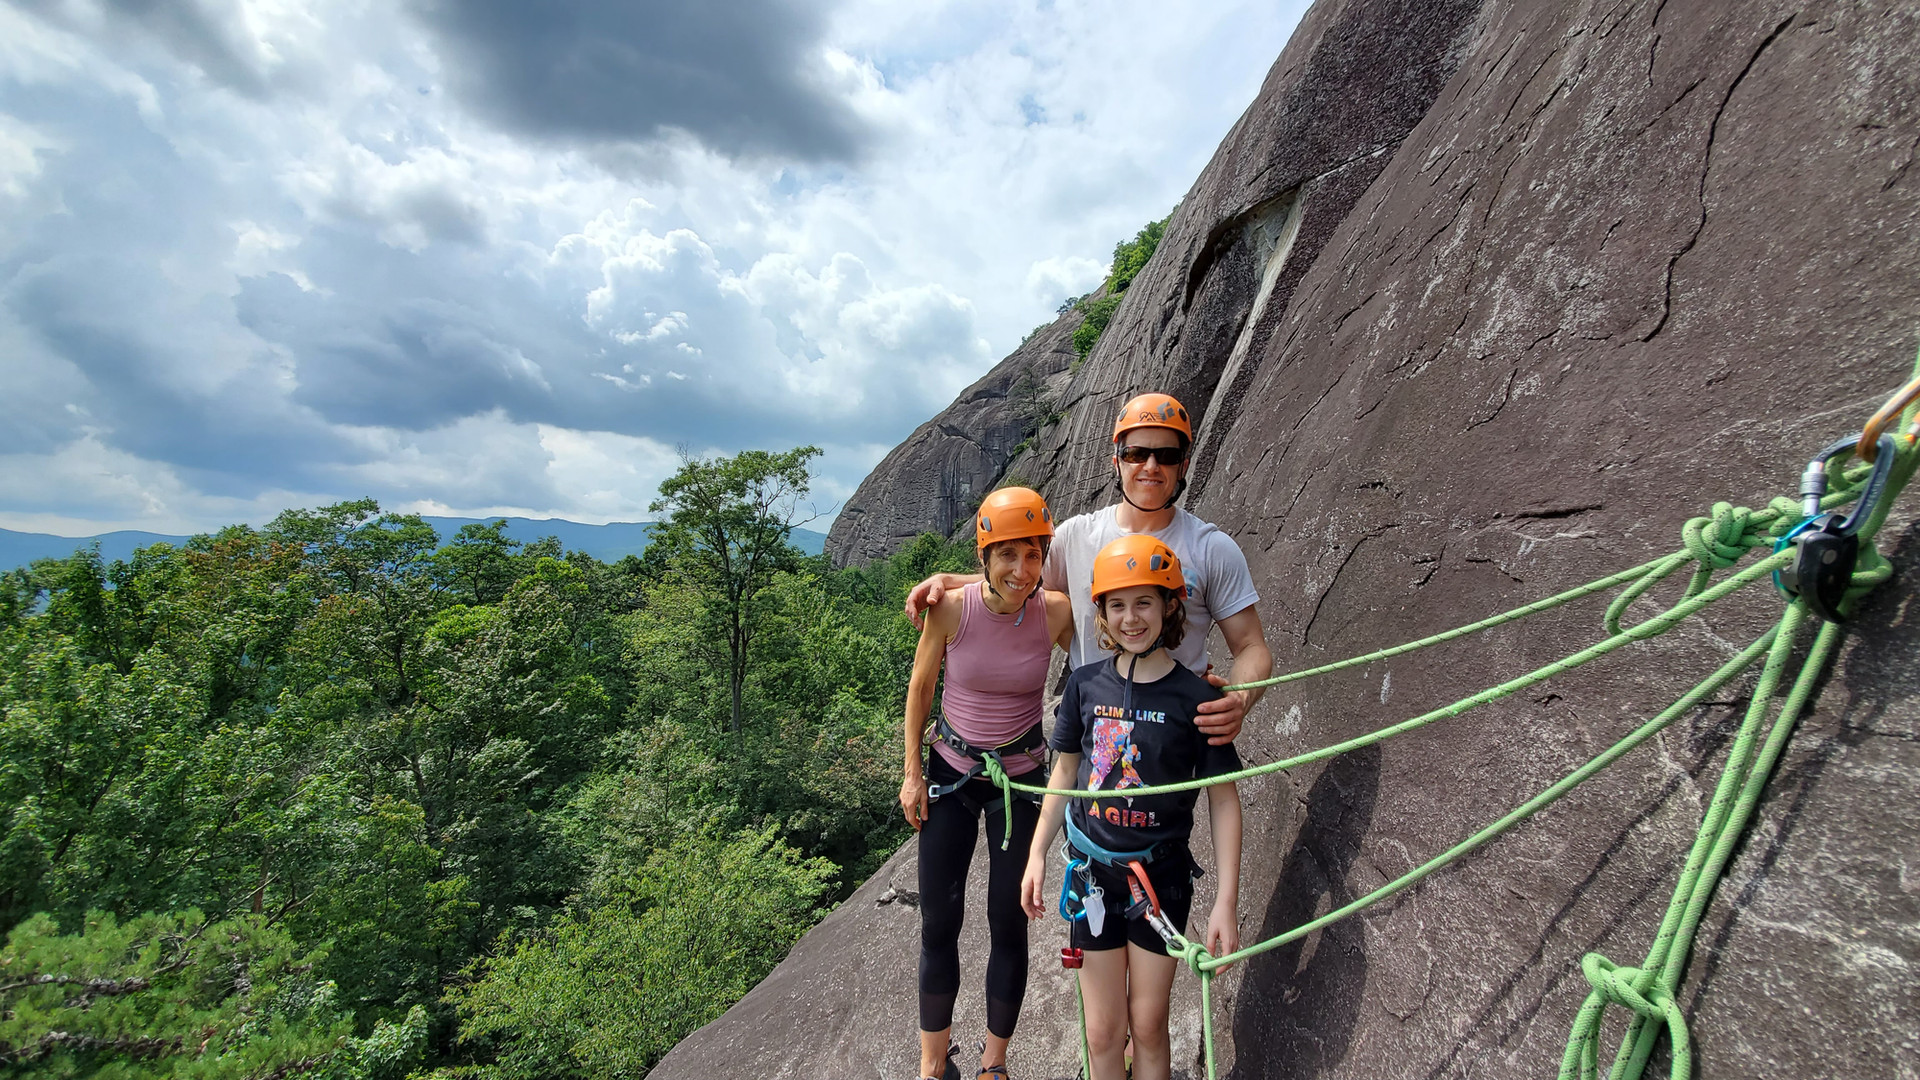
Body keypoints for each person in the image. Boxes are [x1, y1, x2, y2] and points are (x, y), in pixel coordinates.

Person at [906, 392, 1272, 744]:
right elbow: (1020, 582)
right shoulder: (1076, 537)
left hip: (1171, 738)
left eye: (1167, 455)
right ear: (1117, 461)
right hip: (1087, 733)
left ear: (1184, 465)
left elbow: (1251, 646)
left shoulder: (1212, 549)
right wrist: (949, 580)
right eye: (1136, 453)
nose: (1150, 466)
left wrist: (1238, 701)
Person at [1019, 535, 1242, 1080]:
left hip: (1158, 879)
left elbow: (1224, 798)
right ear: (1100, 612)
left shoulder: (1196, 699)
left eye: (1144, 602)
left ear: (1170, 606)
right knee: (1101, 1032)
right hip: (1094, 874)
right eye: (1116, 605)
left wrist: (1226, 900)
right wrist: (1037, 854)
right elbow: (1066, 774)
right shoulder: (1083, 686)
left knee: (1147, 1025)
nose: (1130, 618)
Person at [902, 486, 1075, 1080]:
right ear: (985, 556)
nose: (1021, 570)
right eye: (1007, 555)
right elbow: (921, 689)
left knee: (1007, 921)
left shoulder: (1054, 612)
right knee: (939, 920)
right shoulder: (952, 609)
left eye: (1033, 555)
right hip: (952, 772)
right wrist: (912, 774)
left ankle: (993, 1065)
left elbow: (1109, 660)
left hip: (1020, 778)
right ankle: (932, 1064)